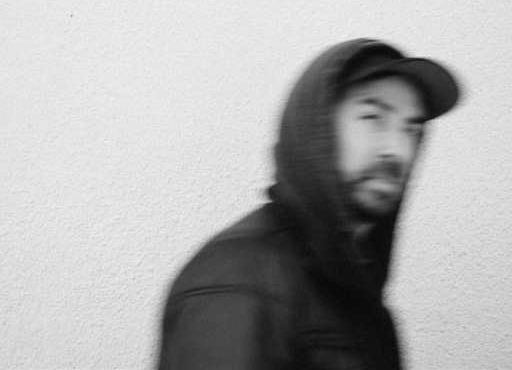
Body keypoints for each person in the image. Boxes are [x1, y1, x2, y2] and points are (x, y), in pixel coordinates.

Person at [157, 38, 460, 370]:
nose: (397, 150)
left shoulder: (355, 290)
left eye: (411, 129)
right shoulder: (237, 277)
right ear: (316, 129)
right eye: (373, 117)